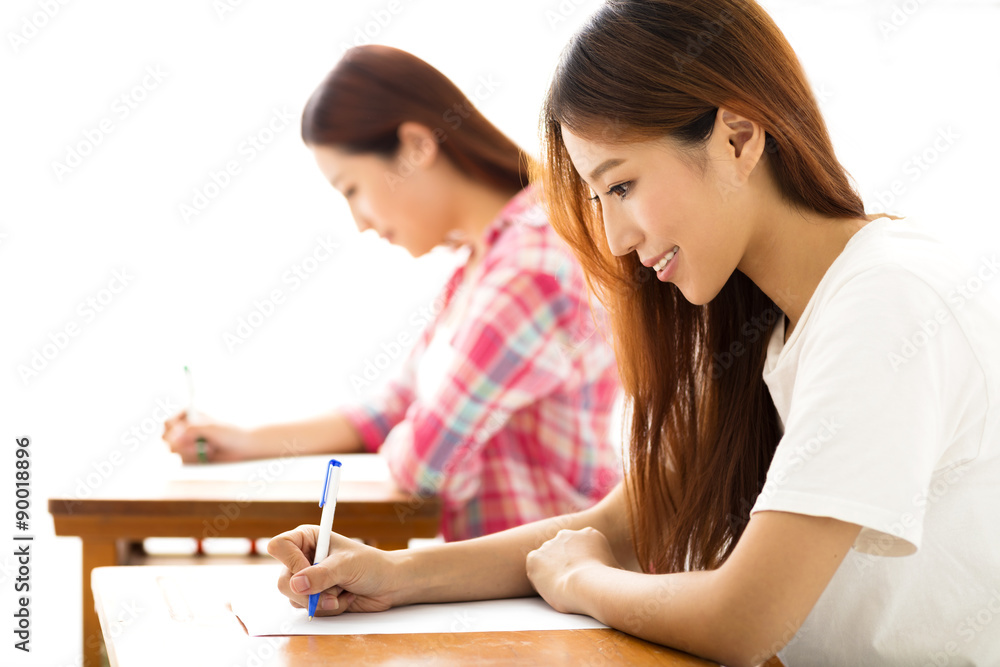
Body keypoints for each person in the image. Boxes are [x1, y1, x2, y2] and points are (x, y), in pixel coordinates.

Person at [264, 2, 1000, 665]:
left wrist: (584, 581)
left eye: (621, 185)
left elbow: (742, 621)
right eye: (596, 196)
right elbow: (624, 522)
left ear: (738, 138)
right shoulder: (759, 322)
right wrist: (394, 574)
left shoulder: (887, 296)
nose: (614, 238)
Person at [162, 45, 623, 542]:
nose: (359, 222)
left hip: (554, 601)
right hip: (511, 588)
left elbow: (425, 460)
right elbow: (395, 407)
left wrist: (415, 434)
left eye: (352, 188)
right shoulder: (480, 265)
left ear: (417, 146)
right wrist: (245, 441)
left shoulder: (531, 268)